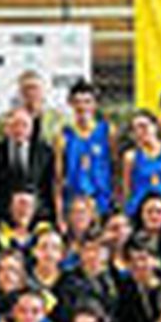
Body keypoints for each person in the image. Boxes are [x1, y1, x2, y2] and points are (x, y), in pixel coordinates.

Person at [56, 80, 114, 221]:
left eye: (87, 101)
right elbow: (57, 179)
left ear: (95, 104)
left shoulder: (108, 131)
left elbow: (116, 169)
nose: (82, 106)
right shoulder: (63, 136)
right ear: (70, 104)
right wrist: (59, 215)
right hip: (74, 205)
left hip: (102, 203)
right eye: (78, 102)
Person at [0, 105, 55, 224]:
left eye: (24, 125)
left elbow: (49, 186)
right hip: (3, 218)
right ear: (6, 129)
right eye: (15, 125)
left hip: (39, 217)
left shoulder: (46, 153)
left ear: (31, 129)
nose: (19, 130)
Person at [122, 109, 161, 220]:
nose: (141, 131)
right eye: (136, 128)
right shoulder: (130, 157)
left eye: (144, 126)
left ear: (155, 126)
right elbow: (128, 189)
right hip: (140, 208)